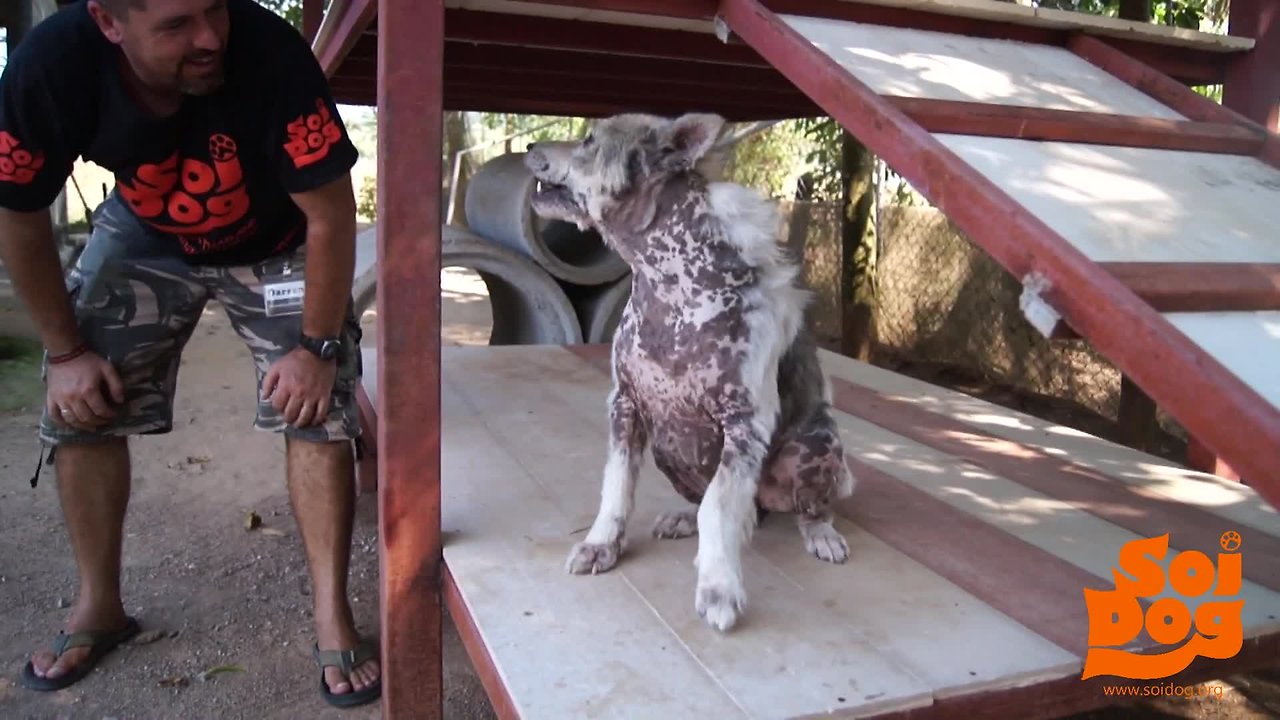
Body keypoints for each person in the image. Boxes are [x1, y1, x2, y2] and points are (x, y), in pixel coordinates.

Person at [0, 0, 380, 708]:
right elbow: (17, 210)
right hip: (145, 231)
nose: (209, 38)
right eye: (176, 26)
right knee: (79, 406)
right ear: (110, 22)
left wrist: (317, 348)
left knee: (319, 406)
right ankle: (98, 607)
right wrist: (64, 351)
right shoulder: (50, 65)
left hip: (277, 241)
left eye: (214, 10)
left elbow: (330, 213)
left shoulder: (268, 50)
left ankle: (332, 611)